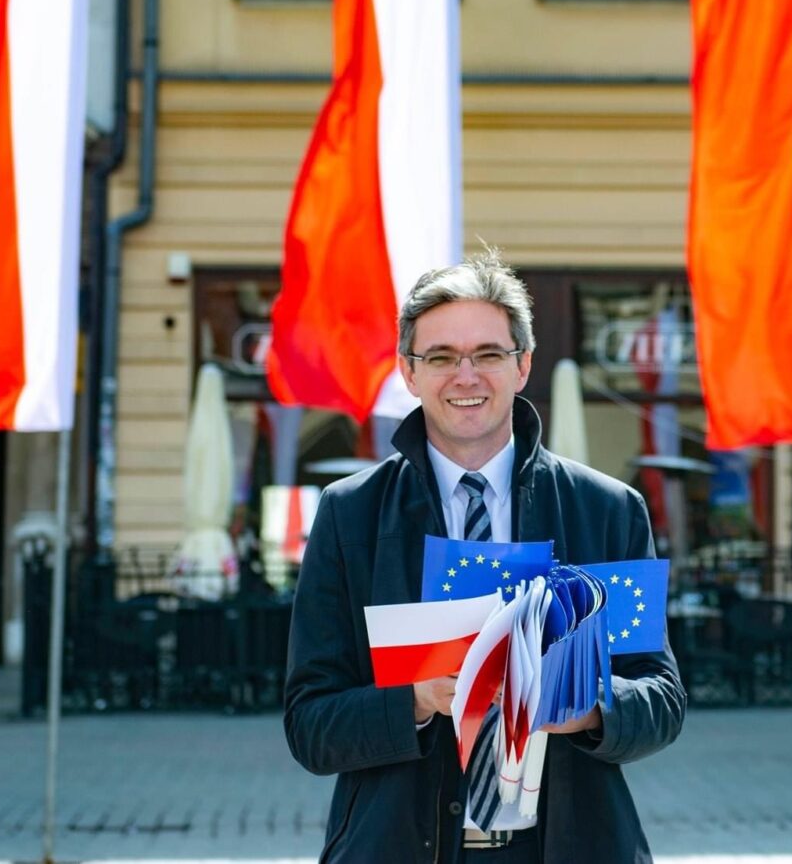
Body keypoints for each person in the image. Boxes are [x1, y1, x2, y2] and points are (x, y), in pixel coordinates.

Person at [284, 254, 686, 863]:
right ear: (408, 373)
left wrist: (585, 707)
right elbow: (310, 726)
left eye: (489, 355)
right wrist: (418, 698)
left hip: (568, 847)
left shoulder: (606, 510)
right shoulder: (351, 515)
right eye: (441, 357)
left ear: (523, 366)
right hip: (398, 847)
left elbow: (661, 699)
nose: (465, 376)